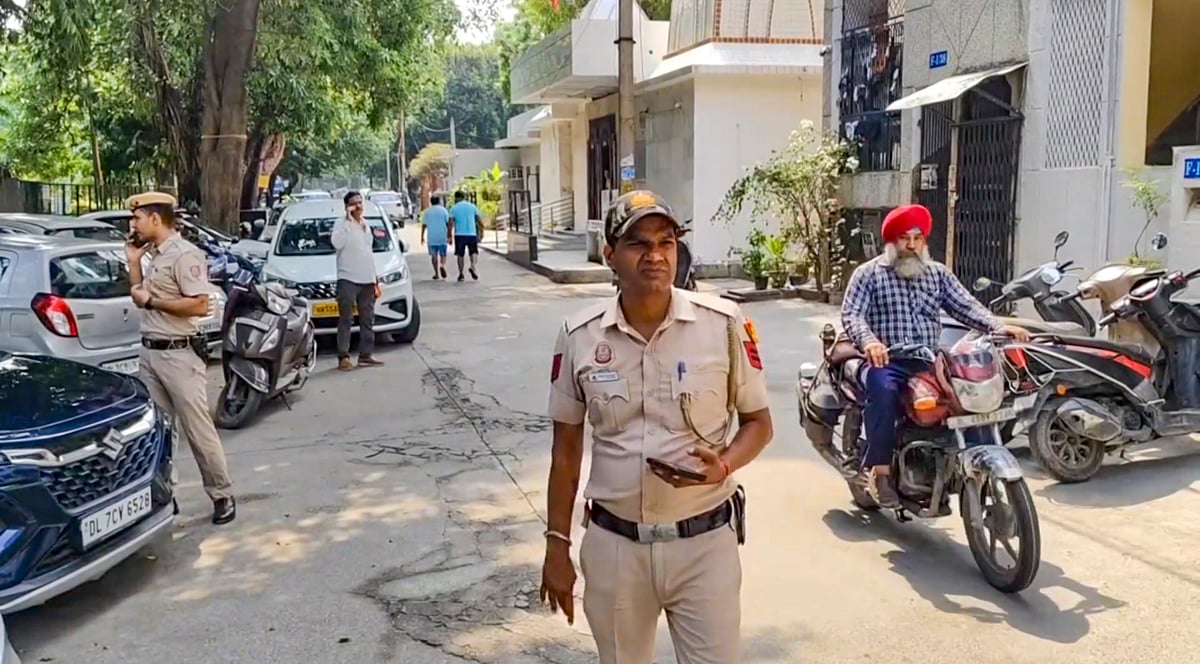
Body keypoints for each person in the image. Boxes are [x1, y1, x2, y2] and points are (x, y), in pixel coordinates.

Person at [541, 190, 774, 664]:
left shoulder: (724, 324)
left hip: (704, 545)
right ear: (610, 255)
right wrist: (556, 547)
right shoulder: (579, 335)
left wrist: (724, 464)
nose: (655, 256)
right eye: (638, 244)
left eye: (666, 243)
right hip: (615, 549)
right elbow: (565, 452)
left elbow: (759, 424)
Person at [840, 204, 1030, 508]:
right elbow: (853, 315)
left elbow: (966, 306)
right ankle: (880, 472)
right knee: (883, 391)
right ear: (891, 241)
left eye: (917, 238)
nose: (912, 245)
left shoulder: (937, 274)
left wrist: (1000, 327)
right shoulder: (868, 274)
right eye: (904, 238)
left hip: (928, 360)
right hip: (885, 361)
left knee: (966, 394)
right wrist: (870, 342)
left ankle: (978, 461)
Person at [123, 191, 236, 525]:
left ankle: (221, 493)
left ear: (156, 218)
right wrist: (132, 264)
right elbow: (138, 294)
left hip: (179, 354)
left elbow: (200, 304)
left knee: (197, 428)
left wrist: (153, 302)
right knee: (158, 430)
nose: (134, 225)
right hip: (151, 353)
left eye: (138, 218)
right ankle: (163, 496)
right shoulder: (154, 255)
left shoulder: (185, 255)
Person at [331, 191, 384, 371]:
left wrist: (374, 277)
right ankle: (343, 357)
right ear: (347, 206)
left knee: (367, 318)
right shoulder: (341, 224)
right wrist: (347, 220)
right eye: (354, 203)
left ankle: (366, 355)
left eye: (360, 202)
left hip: (367, 278)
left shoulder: (366, 225)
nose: (359, 206)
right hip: (348, 278)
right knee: (346, 318)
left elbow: (368, 252)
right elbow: (337, 243)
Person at [448, 191, 482, 282]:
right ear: (464, 197)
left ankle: (461, 274)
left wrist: (449, 236)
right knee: (473, 252)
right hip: (472, 233)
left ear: (456, 198)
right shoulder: (472, 206)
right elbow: (479, 220)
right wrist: (481, 232)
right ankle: (473, 266)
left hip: (459, 234)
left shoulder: (454, 208)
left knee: (460, 254)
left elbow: (450, 223)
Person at [420, 195, 451, 280]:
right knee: (443, 254)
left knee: (434, 256)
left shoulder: (427, 211)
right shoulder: (444, 210)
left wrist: (422, 237)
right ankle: (442, 265)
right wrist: (449, 235)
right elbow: (448, 223)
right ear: (439, 201)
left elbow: (424, 225)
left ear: (431, 202)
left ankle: (436, 273)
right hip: (442, 236)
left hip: (432, 237)